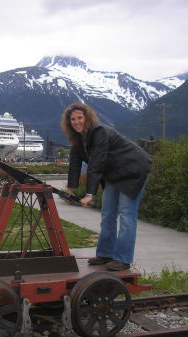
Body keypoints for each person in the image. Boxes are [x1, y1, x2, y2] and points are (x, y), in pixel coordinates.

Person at [61, 102, 152, 271]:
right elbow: (74, 164)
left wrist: (90, 194)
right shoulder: (77, 139)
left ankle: (123, 258)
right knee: (107, 213)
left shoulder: (99, 132)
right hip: (115, 174)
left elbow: (97, 162)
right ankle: (105, 254)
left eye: (80, 117)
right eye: (73, 119)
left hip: (133, 169)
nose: (76, 122)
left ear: (87, 117)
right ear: (69, 122)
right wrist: (70, 191)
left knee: (126, 215)